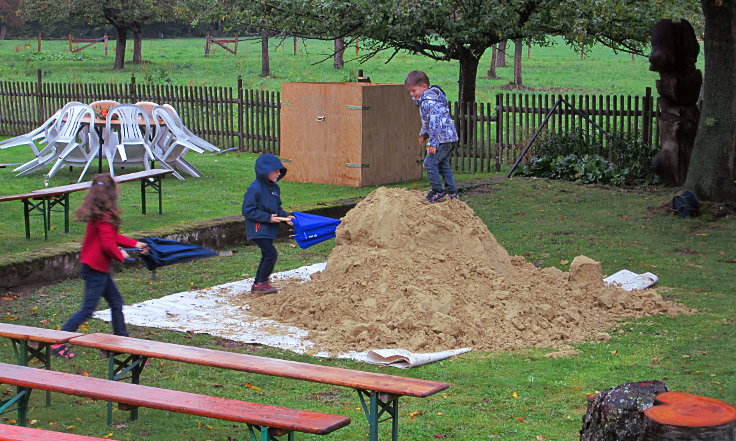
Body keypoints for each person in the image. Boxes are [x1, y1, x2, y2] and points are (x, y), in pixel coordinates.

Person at [51, 174, 148, 359]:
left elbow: (113, 237)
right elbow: (107, 244)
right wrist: (120, 255)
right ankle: (57, 342)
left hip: (97, 268)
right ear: (112, 191)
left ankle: (121, 341)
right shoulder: (103, 215)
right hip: (95, 269)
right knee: (88, 309)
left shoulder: (99, 213)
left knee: (116, 303)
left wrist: (135, 244)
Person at [242, 154, 294, 294]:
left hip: (268, 228)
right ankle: (260, 283)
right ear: (265, 171)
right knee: (271, 253)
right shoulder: (255, 189)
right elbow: (248, 210)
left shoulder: (275, 189)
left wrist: (286, 217)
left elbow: (277, 208)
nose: (279, 174)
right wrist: (267, 218)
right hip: (258, 228)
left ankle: (260, 282)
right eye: (276, 171)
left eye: (280, 171)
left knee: (267, 254)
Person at [405, 70, 459, 202]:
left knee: (429, 163)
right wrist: (423, 133)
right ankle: (452, 192)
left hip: (442, 139)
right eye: (410, 92)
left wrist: (433, 143)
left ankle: (437, 191)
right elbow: (428, 122)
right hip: (449, 137)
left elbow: (435, 123)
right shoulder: (431, 100)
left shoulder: (429, 102)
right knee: (443, 164)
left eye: (414, 90)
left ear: (424, 87)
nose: (412, 94)